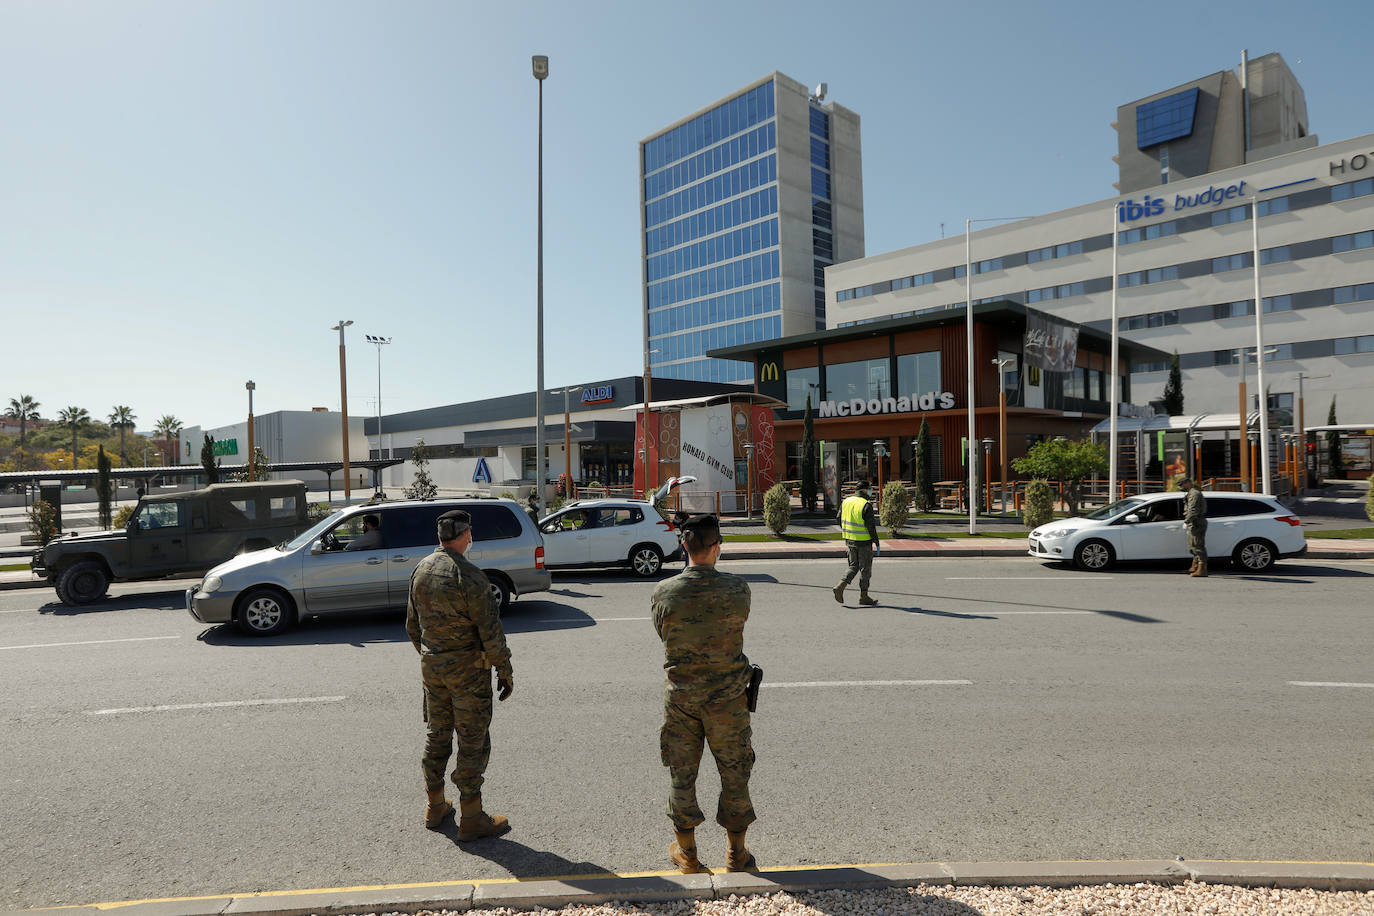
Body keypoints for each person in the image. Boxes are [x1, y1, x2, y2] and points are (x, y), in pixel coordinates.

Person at [651, 514, 757, 874]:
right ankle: (737, 854)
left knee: (682, 775)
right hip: (728, 699)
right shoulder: (738, 589)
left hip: (682, 698)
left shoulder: (664, 591)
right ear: (717, 547)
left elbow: (663, 633)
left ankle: (687, 854)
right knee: (735, 771)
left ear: (685, 546)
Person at [405, 509, 514, 839]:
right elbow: (491, 632)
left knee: (437, 734)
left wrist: (434, 656)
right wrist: (504, 670)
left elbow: (412, 626)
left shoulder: (421, 570)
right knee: (472, 740)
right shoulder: (470, 576)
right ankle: (471, 818)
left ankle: (435, 806)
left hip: (433, 669)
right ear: (466, 535)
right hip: (468, 672)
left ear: (440, 537)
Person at [833, 479, 880, 606]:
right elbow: (871, 527)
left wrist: (847, 531)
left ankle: (840, 586)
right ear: (864, 490)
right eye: (869, 488)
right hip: (864, 542)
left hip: (850, 540)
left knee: (853, 566)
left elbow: (838, 518)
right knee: (865, 570)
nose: (871, 491)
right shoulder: (866, 504)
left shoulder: (846, 501)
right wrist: (876, 541)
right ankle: (863, 596)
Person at [1180, 478, 1208, 577]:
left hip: (1196, 522)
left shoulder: (1194, 494)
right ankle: (1195, 567)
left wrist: (1187, 521)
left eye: (1182, 485)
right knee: (1193, 546)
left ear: (1188, 483)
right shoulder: (1191, 493)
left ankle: (1202, 570)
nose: (1181, 487)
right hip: (1194, 522)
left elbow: (1193, 510)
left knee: (1198, 546)